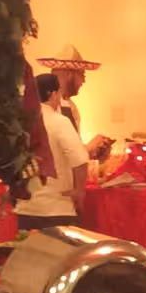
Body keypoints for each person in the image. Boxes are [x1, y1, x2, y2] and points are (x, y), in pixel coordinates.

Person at [14, 73, 90, 233]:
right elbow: (80, 160)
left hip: (26, 209)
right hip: (56, 208)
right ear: (53, 94)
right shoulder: (59, 121)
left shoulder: (19, 123)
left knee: (30, 255)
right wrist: (78, 191)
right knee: (60, 256)